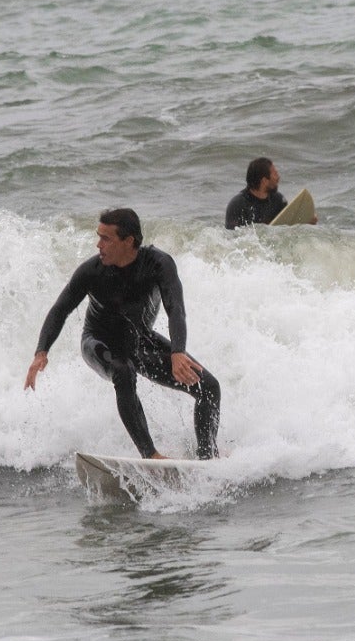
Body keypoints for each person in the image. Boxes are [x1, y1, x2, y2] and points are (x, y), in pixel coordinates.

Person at [24, 208, 222, 459]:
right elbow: (59, 310)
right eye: (98, 237)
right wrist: (41, 352)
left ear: (129, 241)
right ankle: (150, 455)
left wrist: (178, 352)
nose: (99, 245)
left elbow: (176, 310)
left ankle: (207, 457)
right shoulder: (92, 271)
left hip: (140, 340)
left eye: (106, 239)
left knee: (208, 386)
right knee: (122, 370)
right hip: (99, 342)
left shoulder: (159, 264)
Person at [224, 157, 315, 229]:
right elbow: (231, 238)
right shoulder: (238, 205)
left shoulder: (278, 200)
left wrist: (306, 223)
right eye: (275, 174)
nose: (278, 177)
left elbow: (289, 227)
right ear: (264, 181)